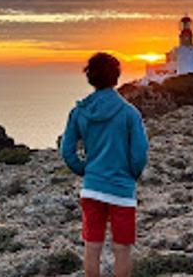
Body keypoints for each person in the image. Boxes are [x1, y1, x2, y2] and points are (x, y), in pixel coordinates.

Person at [60, 52, 149, 277]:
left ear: (90, 78)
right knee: (122, 249)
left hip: (92, 188)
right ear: (116, 77)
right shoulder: (130, 113)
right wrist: (130, 175)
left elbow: (67, 151)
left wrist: (85, 170)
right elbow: (139, 155)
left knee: (92, 246)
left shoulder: (79, 112)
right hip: (121, 190)